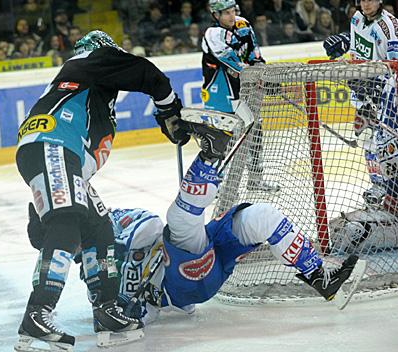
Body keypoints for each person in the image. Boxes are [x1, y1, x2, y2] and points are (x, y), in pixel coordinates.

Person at [26, 120, 364, 338]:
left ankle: (322, 279)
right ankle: (210, 156)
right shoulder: (94, 266)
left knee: (262, 216)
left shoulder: (105, 223)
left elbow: (147, 229)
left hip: (200, 254)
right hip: (184, 283)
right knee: (179, 221)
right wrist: (137, 300)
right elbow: (125, 314)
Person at [13, 30, 190, 352]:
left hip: (62, 157)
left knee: (98, 229)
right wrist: (169, 109)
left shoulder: (89, 85)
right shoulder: (88, 59)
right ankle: (37, 313)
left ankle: (107, 308)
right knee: (68, 221)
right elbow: (148, 74)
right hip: (53, 148)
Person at [322, 0, 398, 253]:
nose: (366, 3)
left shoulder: (389, 26)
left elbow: (394, 67)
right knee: (367, 139)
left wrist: (378, 91)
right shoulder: (356, 19)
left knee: (388, 142)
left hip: (386, 93)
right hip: (364, 92)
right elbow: (356, 54)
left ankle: (392, 190)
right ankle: (380, 185)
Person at [201, 0, 280, 193]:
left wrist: (262, 71)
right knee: (221, 138)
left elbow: (254, 52)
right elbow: (229, 59)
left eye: (232, 11)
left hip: (244, 89)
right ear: (215, 16)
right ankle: (216, 184)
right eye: (225, 13)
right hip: (220, 93)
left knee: (255, 130)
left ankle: (255, 179)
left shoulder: (243, 24)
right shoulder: (213, 34)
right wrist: (255, 74)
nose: (231, 16)